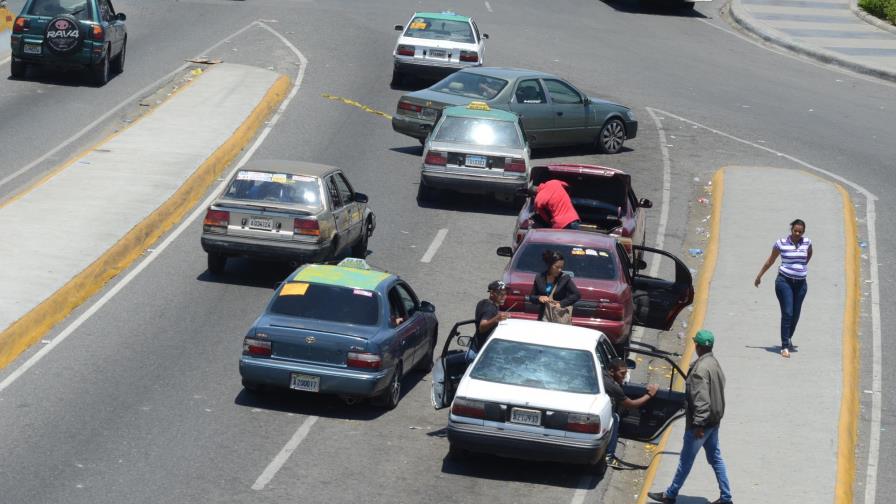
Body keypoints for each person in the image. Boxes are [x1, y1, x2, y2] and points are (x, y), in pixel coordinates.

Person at [648, 330, 732, 504]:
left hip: (701, 425)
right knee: (716, 458)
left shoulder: (699, 370)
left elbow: (701, 400)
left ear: (698, 346)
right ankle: (726, 497)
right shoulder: (713, 363)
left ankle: (670, 494)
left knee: (685, 461)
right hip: (714, 421)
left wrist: (699, 425)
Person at [753, 219, 812, 358]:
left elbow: (809, 254)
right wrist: (759, 275)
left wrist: (800, 267)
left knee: (796, 314)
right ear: (791, 230)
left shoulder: (807, 243)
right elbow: (771, 260)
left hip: (801, 284)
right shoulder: (781, 243)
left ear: (803, 232)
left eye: (800, 231)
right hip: (784, 282)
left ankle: (789, 337)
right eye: (795, 230)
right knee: (788, 313)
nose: (797, 233)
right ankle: (784, 346)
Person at [603, 358, 659, 468]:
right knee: (615, 418)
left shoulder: (601, 373)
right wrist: (650, 395)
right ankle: (609, 456)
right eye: (622, 373)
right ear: (611, 371)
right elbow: (632, 404)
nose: (624, 376)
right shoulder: (613, 386)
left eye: (626, 373)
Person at [527, 249, 580, 320]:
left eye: (561, 267)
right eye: (557, 267)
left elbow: (576, 295)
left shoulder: (564, 278)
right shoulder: (539, 278)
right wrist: (539, 298)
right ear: (550, 265)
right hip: (544, 317)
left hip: (558, 317)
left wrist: (561, 304)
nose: (560, 270)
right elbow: (531, 297)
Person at [467, 281, 509, 361]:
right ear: (492, 293)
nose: (504, 297)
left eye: (505, 294)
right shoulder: (490, 309)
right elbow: (482, 327)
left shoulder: (483, 302)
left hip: (474, 347)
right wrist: (496, 318)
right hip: (480, 353)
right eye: (501, 294)